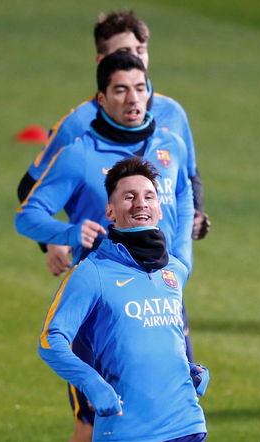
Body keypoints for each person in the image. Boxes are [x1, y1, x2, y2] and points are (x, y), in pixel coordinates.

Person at [16, 51, 195, 442]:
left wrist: (182, 260)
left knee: (173, 394)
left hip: (159, 283)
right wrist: (67, 234)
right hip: (102, 301)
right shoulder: (79, 154)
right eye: (120, 90)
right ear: (101, 98)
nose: (133, 99)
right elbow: (25, 215)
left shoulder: (171, 144)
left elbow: (185, 193)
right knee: (93, 419)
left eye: (140, 89)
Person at [17, 10, 209, 277]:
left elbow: (185, 180)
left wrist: (182, 262)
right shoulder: (76, 129)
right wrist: (57, 239)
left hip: (163, 285)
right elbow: (30, 190)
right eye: (125, 51)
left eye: (140, 50)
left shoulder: (172, 120)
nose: (135, 57)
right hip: (104, 280)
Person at [38, 157, 208, 442]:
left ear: (159, 208)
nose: (141, 203)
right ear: (110, 211)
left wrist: (188, 369)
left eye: (149, 196)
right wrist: (91, 383)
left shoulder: (174, 271)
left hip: (186, 425)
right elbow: (50, 340)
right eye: (129, 197)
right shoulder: (91, 273)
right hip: (126, 432)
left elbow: (160, 335)